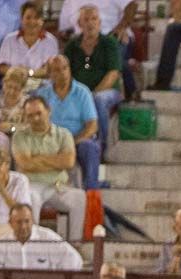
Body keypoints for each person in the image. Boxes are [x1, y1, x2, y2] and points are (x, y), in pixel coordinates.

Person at [11, 96, 86, 241]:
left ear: (48, 111)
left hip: (59, 186)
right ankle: (32, 244)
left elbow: (69, 162)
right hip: (31, 186)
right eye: (30, 116)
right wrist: (56, 159)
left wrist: (36, 158)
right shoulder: (19, 136)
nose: (36, 118)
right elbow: (25, 164)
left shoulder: (64, 134)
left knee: (79, 197)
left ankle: (75, 245)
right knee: (31, 198)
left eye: (39, 113)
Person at [64, 5, 122, 163]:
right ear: (79, 23)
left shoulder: (109, 43)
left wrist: (90, 95)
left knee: (98, 100)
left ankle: (102, 148)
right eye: (86, 19)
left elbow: (113, 73)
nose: (90, 23)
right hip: (78, 92)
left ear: (100, 22)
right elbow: (65, 72)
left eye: (94, 19)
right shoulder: (72, 46)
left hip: (107, 91)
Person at [32, 55, 101, 189]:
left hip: (77, 140)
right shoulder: (42, 95)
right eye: (57, 70)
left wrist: (72, 142)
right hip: (50, 140)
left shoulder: (82, 92)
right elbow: (35, 122)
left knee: (90, 147)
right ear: (50, 74)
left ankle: (92, 194)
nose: (62, 73)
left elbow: (92, 126)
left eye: (65, 68)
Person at [0, 203, 84, 269]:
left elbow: (75, 259)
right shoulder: (2, 243)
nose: (23, 226)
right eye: (19, 222)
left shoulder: (48, 237)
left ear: (32, 221)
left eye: (27, 221)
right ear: (10, 223)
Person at [0, 1, 59, 85]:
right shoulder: (9, 40)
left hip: (41, 88)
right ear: (22, 19)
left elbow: (49, 70)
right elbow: (2, 67)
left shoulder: (50, 41)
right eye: (28, 17)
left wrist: (29, 73)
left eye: (36, 17)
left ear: (42, 20)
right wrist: (17, 74)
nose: (32, 22)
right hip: (13, 85)